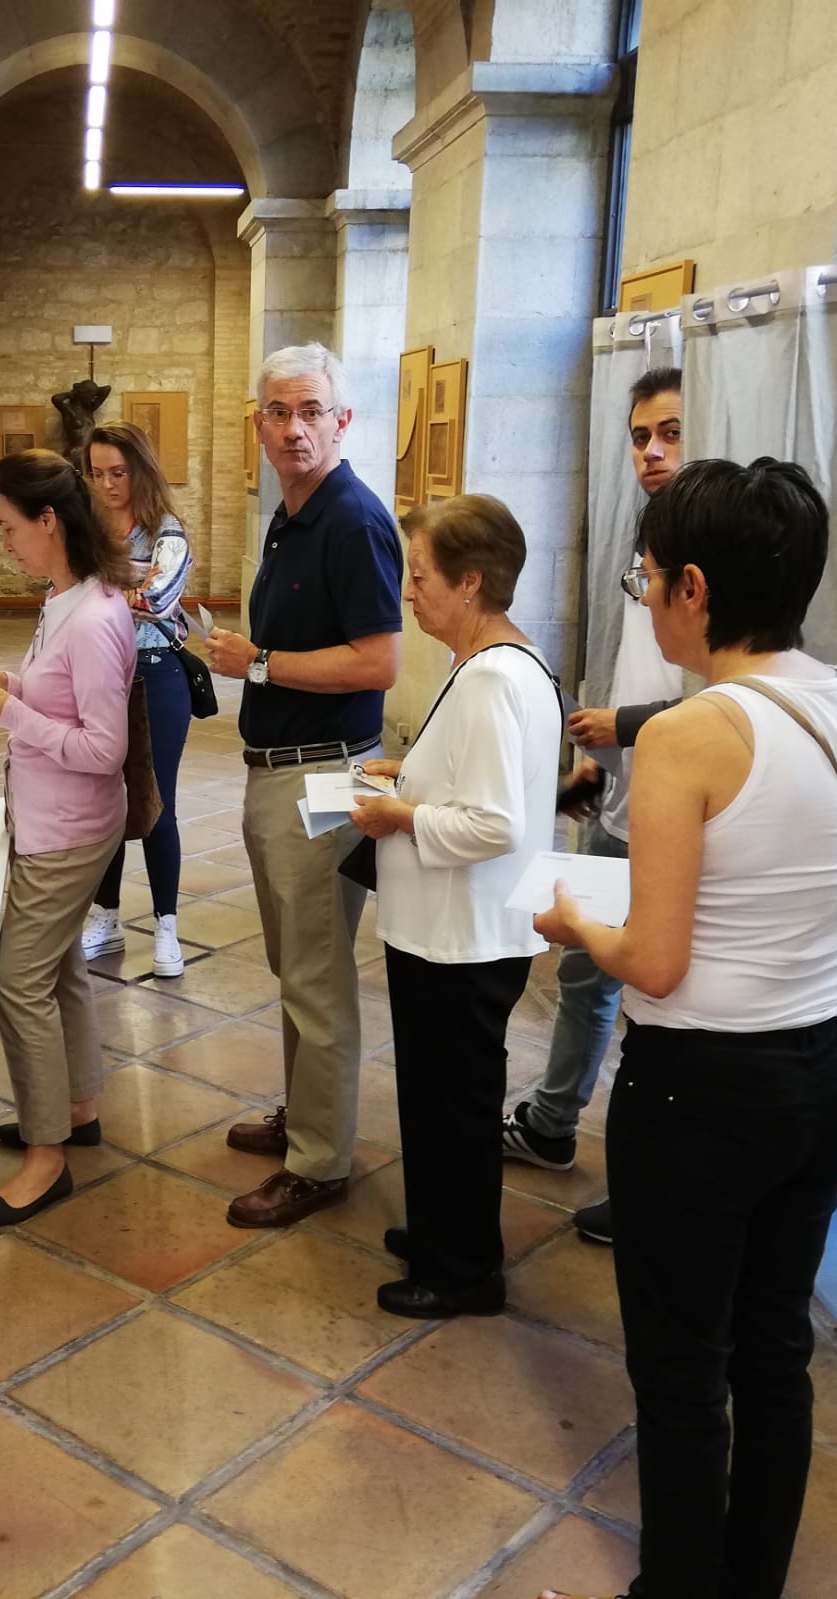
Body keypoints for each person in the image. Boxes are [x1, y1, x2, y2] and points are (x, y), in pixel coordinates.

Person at [534, 460, 837, 1599]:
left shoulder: (695, 735)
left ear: (693, 587)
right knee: (775, 1352)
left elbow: (655, 958)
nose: (647, 600)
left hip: (699, 1092)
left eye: (648, 578)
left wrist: (575, 923)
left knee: (683, 1369)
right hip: (826, 1068)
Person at [348, 496, 561, 1317]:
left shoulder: (495, 680)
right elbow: (477, 784)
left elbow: (495, 822)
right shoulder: (494, 664)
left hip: (462, 934)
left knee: (455, 1105)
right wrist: (404, 774)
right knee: (438, 1098)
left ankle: (464, 1267)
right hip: (454, 927)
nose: (408, 591)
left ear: (471, 583)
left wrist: (398, 814)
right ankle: (442, 1229)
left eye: (421, 575)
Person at [207, 342, 403, 1229]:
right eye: (278, 412)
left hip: (323, 775)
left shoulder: (351, 518)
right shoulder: (292, 510)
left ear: (341, 420)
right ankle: (306, 1118)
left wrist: (261, 664)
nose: (293, 428)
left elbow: (378, 660)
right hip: (279, 771)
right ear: (257, 424)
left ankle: (320, 1161)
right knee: (296, 967)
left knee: (317, 977)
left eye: (310, 411)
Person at [501, 369, 684, 1249]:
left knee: (655, 999)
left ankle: (649, 1183)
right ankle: (552, 1119)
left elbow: (722, 700)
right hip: (623, 794)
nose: (650, 451)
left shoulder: (717, 557)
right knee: (584, 971)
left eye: (671, 433)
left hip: (677, 813)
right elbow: (640, 669)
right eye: (640, 434)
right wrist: (597, 761)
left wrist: (627, 723)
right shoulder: (643, 531)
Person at [0, 450, 136, 1226]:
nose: (2, 541)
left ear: (48, 521)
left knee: (17, 979)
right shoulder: (62, 600)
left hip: (69, 830)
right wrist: (16, 685)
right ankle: (76, 1107)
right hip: (48, 819)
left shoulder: (96, 618)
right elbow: (61, 696)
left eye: (8, 526)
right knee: (58, 969)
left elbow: (104, 749)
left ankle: (46, 1156)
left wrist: (13, 716)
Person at [78, 421, 193, 978]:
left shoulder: (167, 532)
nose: (106, 485)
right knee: (105, 803)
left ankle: (167, 924)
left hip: (155, 677)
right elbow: (58, 597)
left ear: (141, 471)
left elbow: (158, 599)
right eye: (95, 473)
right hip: (99, 678)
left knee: (153, 801)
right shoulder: (87, 532)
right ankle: (106, 916)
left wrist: (100, 596)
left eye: (118, 473)